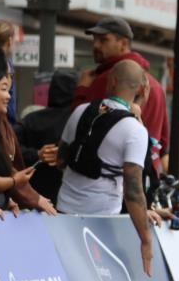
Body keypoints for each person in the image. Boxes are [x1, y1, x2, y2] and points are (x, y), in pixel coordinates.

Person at [58, 60, 155, 276]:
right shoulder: (135, 130)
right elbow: (133, 192)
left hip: (63, 213)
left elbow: (61, 159)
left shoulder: (81, 111)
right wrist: (146, 240)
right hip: (100, 223)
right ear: (141, 89)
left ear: (111, 82)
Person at [73, 16, 170, 173]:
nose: (95, 45)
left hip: (112, 176)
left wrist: (82, 89)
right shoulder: (156, 85)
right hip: (148, 175)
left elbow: (80, 124)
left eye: (103, 40)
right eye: (94, 40)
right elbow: (164, 141)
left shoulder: (107, 79)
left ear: (124, 43)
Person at [0, 65, 57, 217]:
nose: (8, 97)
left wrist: (7, 198)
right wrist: (14, 182)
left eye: (8, 90)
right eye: (3, 89)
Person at [20, 69, 77, 203]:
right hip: (69, 200)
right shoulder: (79, 119)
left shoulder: (30, 119)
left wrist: (37, 154)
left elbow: (10, 149)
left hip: (34, 197)